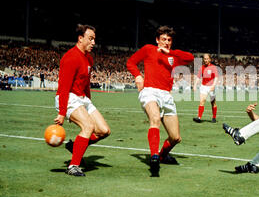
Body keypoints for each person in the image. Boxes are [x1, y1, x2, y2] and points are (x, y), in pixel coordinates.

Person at [127, 26, 194, 177]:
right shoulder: (148, 49)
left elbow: (190, 58)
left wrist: (169, 52)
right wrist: (138, 75)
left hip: (167, 96)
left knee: (176, 137)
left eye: (169, 40)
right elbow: (131, 63)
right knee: (155, 119)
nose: (166, 42)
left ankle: (162, 156)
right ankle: (154, 158)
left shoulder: (174, 56)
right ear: (157, 40)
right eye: (163, 39)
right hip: (150, 91)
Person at [54, 24, 111, 177]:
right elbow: (64, 87)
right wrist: (62, 112)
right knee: (88, 126)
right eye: (90, 39)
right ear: (80, 39)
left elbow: (85, 84)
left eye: (94, 39)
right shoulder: (71, 57)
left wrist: (89, 104)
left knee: (104, 131)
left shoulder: (89, 59)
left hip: (83, 99)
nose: (93, 43)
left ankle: (75, 146)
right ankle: (73, 166)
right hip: (69, 98)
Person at [193, 53, 219, 123]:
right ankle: (199, 117)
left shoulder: (213, 67)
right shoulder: (202, 67)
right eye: (205, 59)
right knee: (202, 101)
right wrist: (195, 85)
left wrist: (213, 85)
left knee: (213, 103)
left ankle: (214, 117)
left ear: (210, 59)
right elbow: (198, 77)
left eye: (207, 59)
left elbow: (216, 77)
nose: (206, 60)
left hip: (211, 87)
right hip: (203, 86)